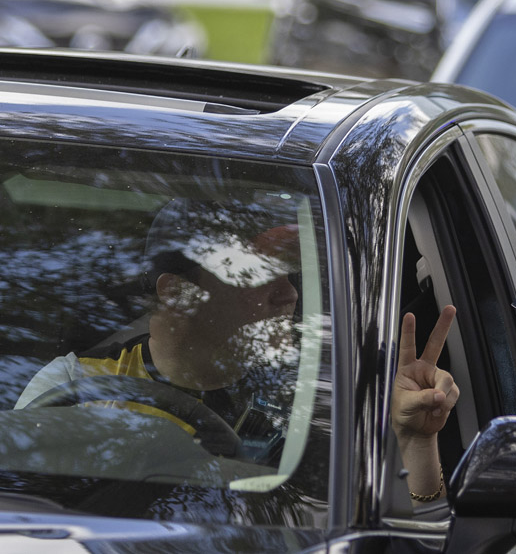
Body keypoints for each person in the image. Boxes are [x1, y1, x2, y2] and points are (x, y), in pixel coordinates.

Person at [16, 197, 458, 498]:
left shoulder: (323, 397)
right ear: (180, 295)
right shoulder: (75, 384)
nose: (289, 296)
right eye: (257, 275)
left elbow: (407, 535)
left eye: (290, 276)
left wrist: (416, 442)